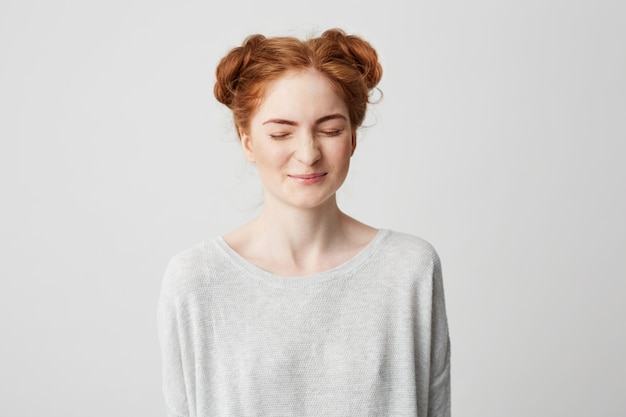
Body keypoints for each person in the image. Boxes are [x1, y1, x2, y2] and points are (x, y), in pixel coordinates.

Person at [157, 28, 451, 417]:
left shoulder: (409, 269)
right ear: (247, 141)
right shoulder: (196, 281)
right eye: (281, 133)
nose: (308, 153)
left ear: (353, 139)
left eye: (330, 130)